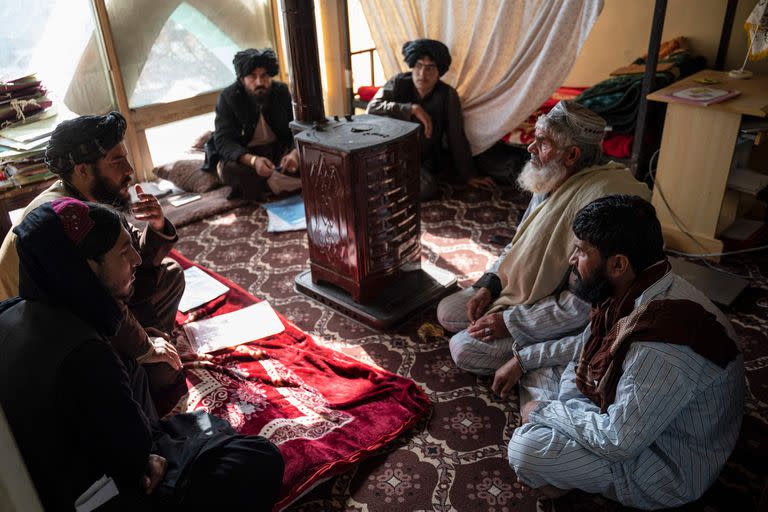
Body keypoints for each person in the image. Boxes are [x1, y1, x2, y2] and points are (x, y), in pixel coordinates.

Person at [0, 198, 284, 510]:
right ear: (86, 267)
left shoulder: (11, 310)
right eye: (124, 252)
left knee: (141, 371)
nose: (136, 259)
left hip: (63, 460)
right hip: (88, 494)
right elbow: (135, 461)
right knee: (256, 459)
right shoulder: (85, 354)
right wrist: (143, 461)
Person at [504, 195, 743, 509]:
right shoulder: (634, 289)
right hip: (638, 421)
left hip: (668, 463)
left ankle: (565, 471)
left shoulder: (661, 341)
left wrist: (540, 412)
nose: (572, 259)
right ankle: (564, 461)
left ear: (618, 264)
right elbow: (583, 352)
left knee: (526, 449)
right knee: (553, 380)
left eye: (581, 251)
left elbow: (619, 441)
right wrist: (531, 366)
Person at [441, 101, 650, 378]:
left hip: (562, 315)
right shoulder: (553, 176)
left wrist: (509, 321)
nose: (530, 147)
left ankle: (544, 356)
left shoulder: (596, 204)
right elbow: (519, 243)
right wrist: (488, 286)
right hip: (520, 291)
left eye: (542, 142)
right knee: (447, 312)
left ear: (572, 154)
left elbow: (580, 305)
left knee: (463, 349)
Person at [0, 111, 184, 393]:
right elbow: (94, 297)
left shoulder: (89, 199)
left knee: (170, 274)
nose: (130, 171)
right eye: (117, 161)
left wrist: (157, 225)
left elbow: (131, 258)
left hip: (87, 307)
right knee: (160, 372)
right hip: (46, 334)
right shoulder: (58, 216)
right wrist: (145, 346)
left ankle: (153, 343)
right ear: (83, 170)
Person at [367, 38, 494, 200]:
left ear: (439, 72)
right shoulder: (398, 83)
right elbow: (373, 108)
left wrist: (469, 175)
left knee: (427, 189)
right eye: (419, 66)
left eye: (430, 68)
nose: (422, 74)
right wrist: (411, 109)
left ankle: (389, 185)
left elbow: (456, 136)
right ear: (412, 67)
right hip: (390, 153)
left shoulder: (447, 95)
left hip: (422, 159)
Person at [206, 48, 300, 200]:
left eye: (264, 76)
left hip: (277, 151)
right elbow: (223, 141)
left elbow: (297, 128)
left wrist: (294, 154)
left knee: (310, 157)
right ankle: (281, 184)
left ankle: (268, 186)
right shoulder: (228, 97)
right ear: (242, 79)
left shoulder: (281, 92)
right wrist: (254, 161)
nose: (259, 82)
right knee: (230, 170)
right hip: (246, 155)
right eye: (252, 76)